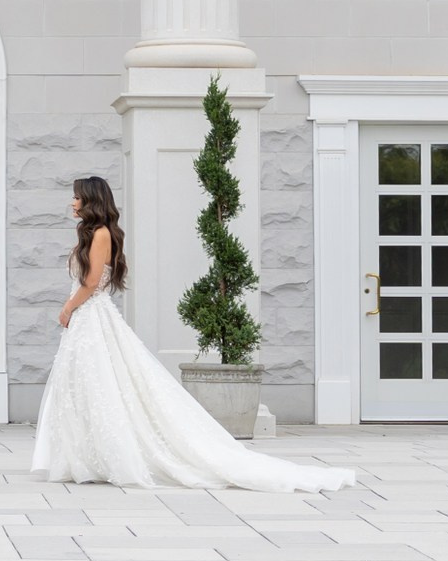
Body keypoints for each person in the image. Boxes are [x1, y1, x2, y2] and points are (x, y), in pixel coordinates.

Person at [33, 175, 356, 494]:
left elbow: (90, 283)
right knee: (85, 386)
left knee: (103, 384)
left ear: (91, 200)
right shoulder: (89, 234)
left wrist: (67, 309)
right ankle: (86, 458)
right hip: (86, 319)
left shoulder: (101, 233)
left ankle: (112, 457)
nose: (72, 202)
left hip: (91, 315)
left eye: (77, 197)